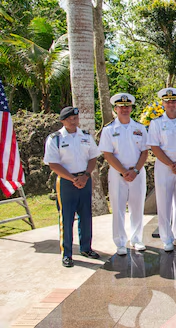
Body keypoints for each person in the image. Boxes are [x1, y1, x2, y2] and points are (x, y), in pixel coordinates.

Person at [43, 106, 101, 267]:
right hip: (67, 182)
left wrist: (85, 176)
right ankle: (67, 254)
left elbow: (92, 157)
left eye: (75, 118)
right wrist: (73, 179)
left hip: (85, 178)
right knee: (66, 218)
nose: (73, 121)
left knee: (86, 216)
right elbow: (53, 163)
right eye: (69, 118)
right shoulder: (55, 138)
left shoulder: (86, 136)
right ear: (62, 121)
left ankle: (86, 248)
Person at [100, 93, 149, 256]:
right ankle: (120, 242)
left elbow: (144, 152)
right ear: (115, 109)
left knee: (137, 207)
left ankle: (137, 239)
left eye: (127, 106)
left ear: (131, 108)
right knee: (118, 208)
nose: (124, 109)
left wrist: (134, 171)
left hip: (137, 173)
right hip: (117, 174)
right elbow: (108, 154)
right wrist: (123, 171)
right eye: (121, 107)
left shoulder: (140, 128)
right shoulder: (109, 130)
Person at [147, 88, 176, 252]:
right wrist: (171, 164)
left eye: (174, 101)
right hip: (164, 167)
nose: (171, 104)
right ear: (163, 104)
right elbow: (154, 147)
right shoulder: (156, 123)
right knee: (164, 202)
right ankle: (166, 238)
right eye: (168, 101)